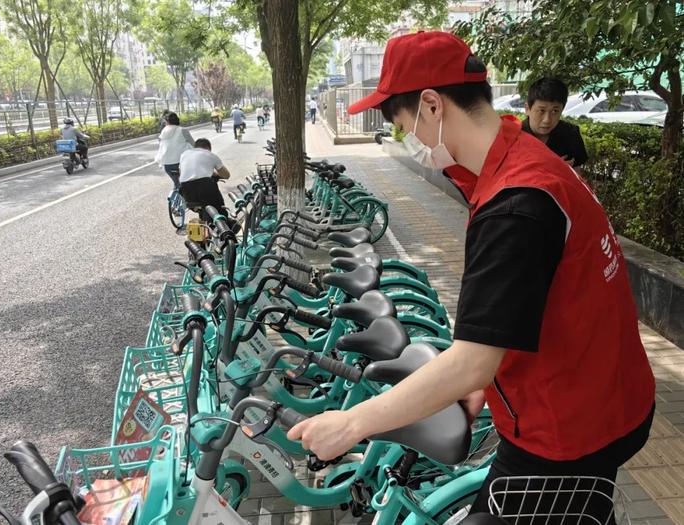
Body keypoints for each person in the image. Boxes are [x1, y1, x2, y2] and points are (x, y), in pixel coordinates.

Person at [287, 31, 655, 523]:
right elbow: (535, 302)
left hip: (567, 432)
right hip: (606, 399)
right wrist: (488, 375)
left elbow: (471, 363)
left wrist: (352, 423)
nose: (406, 140)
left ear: (431, 106)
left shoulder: (516, 204)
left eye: (401, 126)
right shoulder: (528, 164)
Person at [523, 78, 588, 172]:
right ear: (527, 109)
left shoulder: (571, 134)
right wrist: (552, 170)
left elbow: (576, 178)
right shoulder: (513, 136)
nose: (547, 120)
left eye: (555, 111)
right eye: (541, 110)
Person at [179, 138, 233, 225]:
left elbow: (183, 173)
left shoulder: (184, 154)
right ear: (209, 148)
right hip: (205, 188)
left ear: (195, 147)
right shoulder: (211, 155)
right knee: (219, 208)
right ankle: (225, 224)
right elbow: (226, 175)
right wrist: (214, 174)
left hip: (186, 191)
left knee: (199, 205)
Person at [154, 112, 195, 189]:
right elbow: (194, 144)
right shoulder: (182, 130)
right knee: (188, 183)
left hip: (166, 165)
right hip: (181, 164)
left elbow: (161, 144)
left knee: (177, 183)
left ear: (166, 122)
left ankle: (174, 197)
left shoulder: (163, 132)